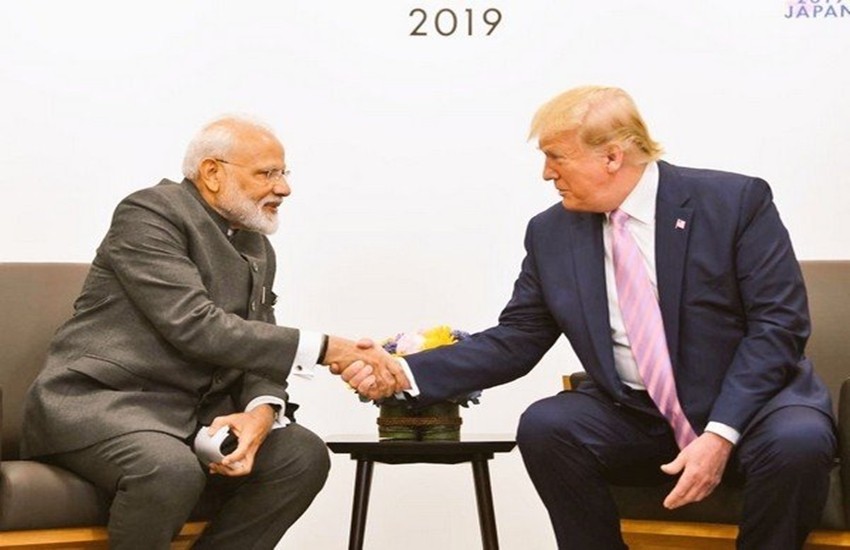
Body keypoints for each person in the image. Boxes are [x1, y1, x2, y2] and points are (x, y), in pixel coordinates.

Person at [342, 86, 838, 549]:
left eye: (556, 157)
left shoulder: (734, 203)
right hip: (639, 415)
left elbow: (778, 326)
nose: (546, 174)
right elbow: (518, 337)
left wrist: (720, 433)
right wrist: (403, 371)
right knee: (548, 426)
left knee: (798, 442)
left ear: (612, 156)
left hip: (752, 409)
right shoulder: (551, 233)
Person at [21, 116, 398, 550]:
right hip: (105, 405)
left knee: (301, 454)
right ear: (213, 173)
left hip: (193, 420)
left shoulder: (256, 244)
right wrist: (329, 349)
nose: (284, 188)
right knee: (168, 469)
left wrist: (261, 412)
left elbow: (258, 341)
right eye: (267, 173)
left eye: (283, 173)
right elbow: (195, 324)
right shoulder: (149, 213)